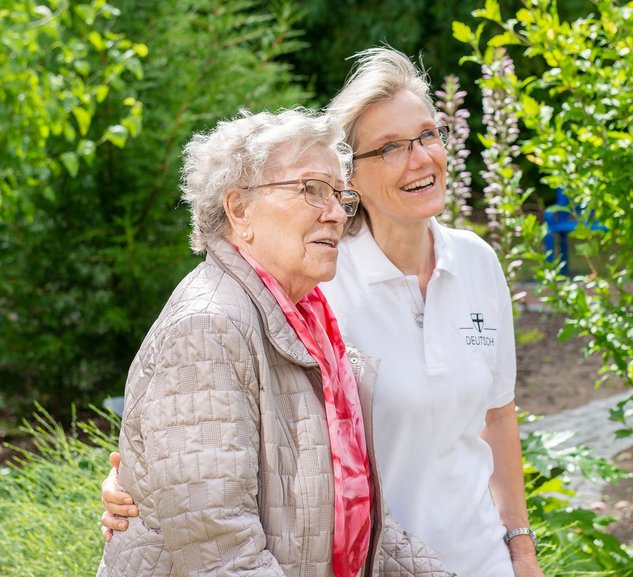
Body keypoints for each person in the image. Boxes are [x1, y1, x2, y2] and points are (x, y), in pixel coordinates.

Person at [101, 48, 545, 577]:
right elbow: (222, 547)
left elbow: (355, 510)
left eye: (429, 135)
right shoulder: (217, 322)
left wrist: (514, 551)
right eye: (312, 190)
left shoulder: (308, 312)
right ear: (239, 210)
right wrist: (142, 487)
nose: (334, 211)